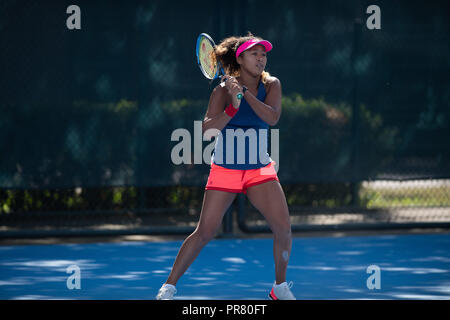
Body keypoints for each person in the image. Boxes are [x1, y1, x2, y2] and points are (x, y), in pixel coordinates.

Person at [156, 33, 295, 300]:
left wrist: (244, 95)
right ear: (240, 59)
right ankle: (169, 286)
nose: (261, 59)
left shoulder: (272, 84)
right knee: (205, 231)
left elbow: (272, 117)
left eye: (263, 54)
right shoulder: (221, 90)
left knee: (283, 228)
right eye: (254, 54)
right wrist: (232, 107)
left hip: (259, 169)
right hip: (225, 169)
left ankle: (279, 287)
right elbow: (207, 130)